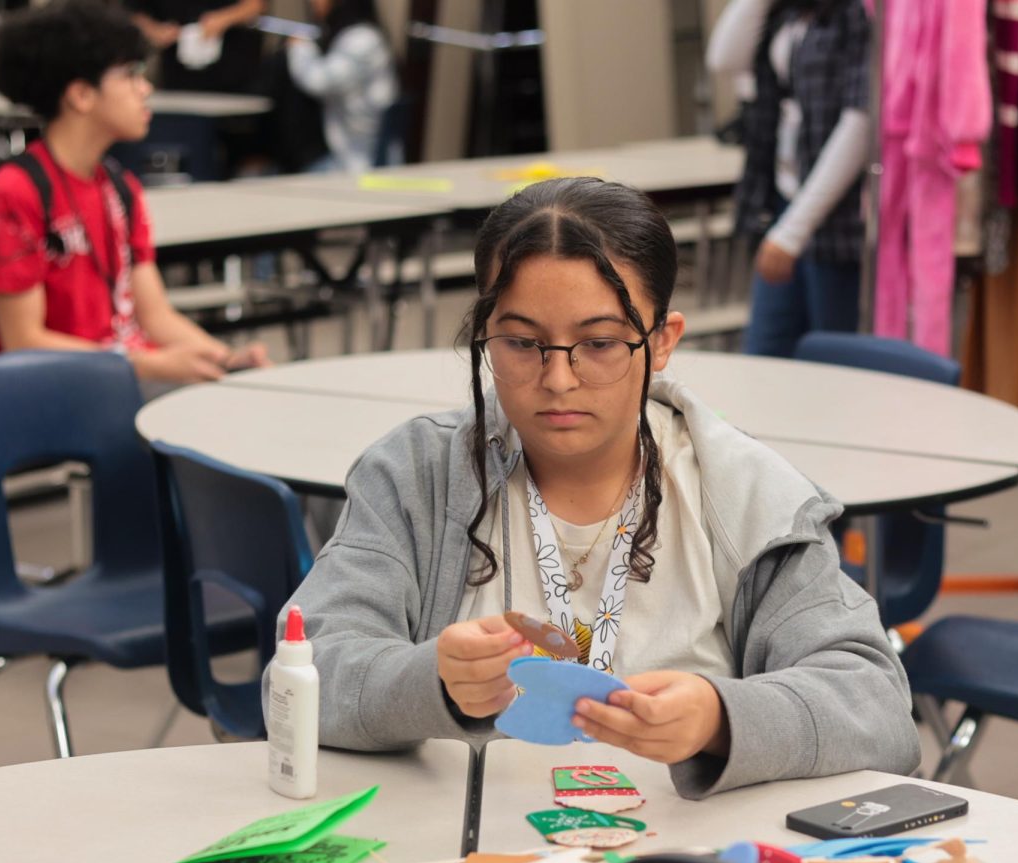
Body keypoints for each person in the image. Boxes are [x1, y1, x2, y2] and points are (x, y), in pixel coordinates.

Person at [271, 177, 919, 798]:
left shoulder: (746, 495)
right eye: (522, 342)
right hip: (454, 851)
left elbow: (879, 708)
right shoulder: (415, 475)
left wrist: (723, 718)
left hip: (677, 859)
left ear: (662, 341)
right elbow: (303, 674)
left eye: (600, 342)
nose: (558, 379)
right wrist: (435, 681)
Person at [0, 1, 268, 384]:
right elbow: (23, 341)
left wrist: (228, 362)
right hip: (55, 404)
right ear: (81, 95)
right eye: (131, 74)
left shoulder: (119, 187)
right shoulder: (16, 193)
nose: (145, 88)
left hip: (121, 383)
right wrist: (147, 365)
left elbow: (155, 317)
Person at [707, 0, 871, 357]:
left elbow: (860, 123)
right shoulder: (790, 11)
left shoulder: (856, 13)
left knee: (832, 359)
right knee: (767, 349)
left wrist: (794, 230)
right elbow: (723, 58)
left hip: (833, 215)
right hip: (783, 198)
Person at [286, 0, 398, 174]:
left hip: (358, 161)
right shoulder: (348, 35)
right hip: (344, 154)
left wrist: (299, 45)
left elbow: (318, 81)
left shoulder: (363, 39)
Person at [126, 0, 266, 96]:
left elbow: (256, 5)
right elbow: (132, 11)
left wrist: (224, 19)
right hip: (178, 74)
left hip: (235, 72)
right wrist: (154, 30)